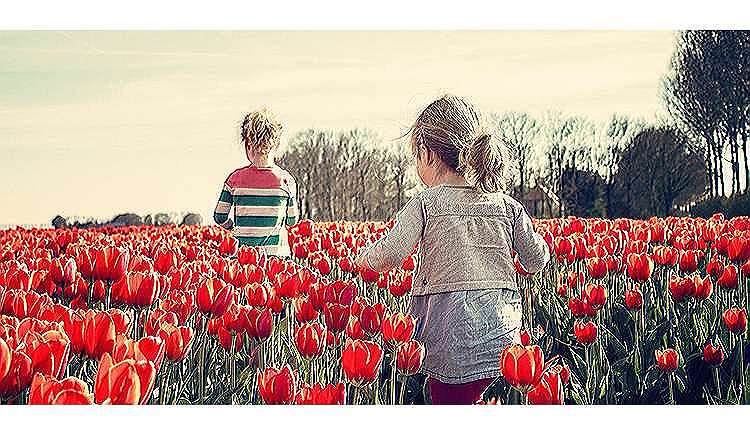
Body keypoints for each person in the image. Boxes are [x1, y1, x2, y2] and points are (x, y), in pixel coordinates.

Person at [355, 95, 550, 405]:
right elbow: (538, 258)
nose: (417, 165)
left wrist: (364, 258)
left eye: (417, 156)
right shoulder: (507, 206)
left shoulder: (425, 204)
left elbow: (392, 253)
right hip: (503, 341)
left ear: (429, 154)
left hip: (450, 341)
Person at [213, 107, 298, 257]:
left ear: (247, 145)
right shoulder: (286, 181)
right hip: (277, 258)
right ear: (276, 145)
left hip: (243, 256)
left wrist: (234, 228)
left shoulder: (235, 179)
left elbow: (219, 216)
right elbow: (292, 220)